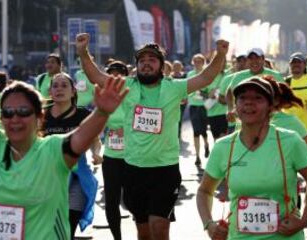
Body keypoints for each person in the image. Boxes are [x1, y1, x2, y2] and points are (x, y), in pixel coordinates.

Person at [76, 32, 228, 240]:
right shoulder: (128, 86)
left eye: (152, 60)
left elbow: (206, 78)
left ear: (161, 64)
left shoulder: (174, 88)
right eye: (142, 61)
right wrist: (83, 51)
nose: (146, 64)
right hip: (133, 169)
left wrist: (220, 54)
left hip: (165, 170)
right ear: (137, 65)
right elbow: (96, 77)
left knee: (160, 227)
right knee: (144, 231)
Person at [0, 78, 127, 239]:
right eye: (8, 112)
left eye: (24, 111)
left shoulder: (52, 149)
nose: (15, 118)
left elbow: (83, 136)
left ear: (39, 116)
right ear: (1, 118)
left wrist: (102, 112)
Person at [197, 77, 307, 240]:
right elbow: (204, 191)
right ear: (236, 106)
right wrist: (209, 224)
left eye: (257, 98)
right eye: (242, 98)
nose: (249, 103)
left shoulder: (291, 141)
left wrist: (303, 220)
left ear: (271, 106)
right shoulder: (223, 146)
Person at [42, 72, 102, 239]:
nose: (59, 89)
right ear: (50, 91)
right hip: (46, 179)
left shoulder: (83, 115)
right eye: (55, 86)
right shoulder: (40, 115)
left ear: (73, 91)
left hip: (77, 178)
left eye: (64, 85)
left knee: (67, 230)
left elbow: (95, 141)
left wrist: (97, 154)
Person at [101, 60, 129, 240]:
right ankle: (117, 237)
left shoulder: (133, 95)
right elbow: (97, 119)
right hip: (111, 156)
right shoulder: (105, 96)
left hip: (133, 156)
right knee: (111, 201)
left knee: (134, 200)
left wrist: (125, 129)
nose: (116, 76)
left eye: (119, 72)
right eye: (111, 73)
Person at [226, 48, 284, 133]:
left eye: (257, 58)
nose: (254, 61)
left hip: (271, 124)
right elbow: (229, 92)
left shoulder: (275, 75)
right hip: (244, 126)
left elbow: (284, 96)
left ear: (263, 59)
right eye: (251, 58)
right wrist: (230, 109)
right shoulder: (238, 76)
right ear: (247, 61)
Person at [187, 54, 211, 165]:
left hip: (204, 106)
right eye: (195, 61)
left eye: (199, 61)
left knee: (203, 130)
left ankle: (206, 145)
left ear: (203, 62)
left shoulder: (206, 74)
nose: (197, 63)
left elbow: (210, 92)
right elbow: (187, 90)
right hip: (193, 106)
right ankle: (197, 156)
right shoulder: (190, 74)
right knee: (196, 131)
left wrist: (202, 92)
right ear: (193, 62)